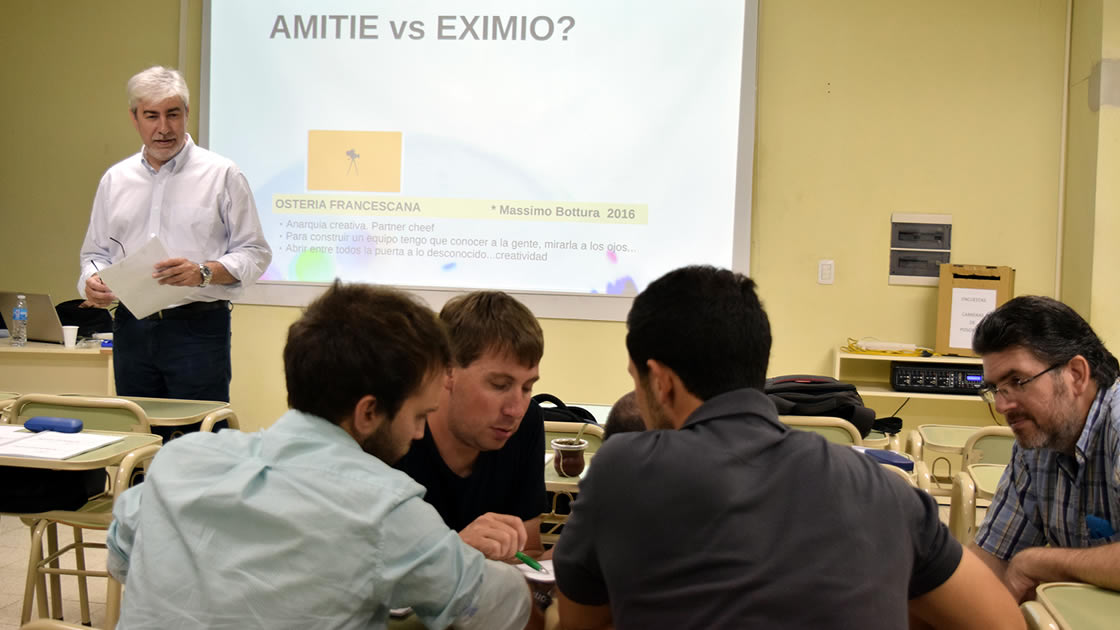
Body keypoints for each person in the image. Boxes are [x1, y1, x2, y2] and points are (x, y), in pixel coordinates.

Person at [552, 266, 1023, 629]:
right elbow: (1001, 622)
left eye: (636, 382)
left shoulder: (621, 470)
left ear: (661, 381)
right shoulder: (883, 489)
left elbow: (578, 621)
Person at [106, 282, 532, 629]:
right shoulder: (384, 508)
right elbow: (499, 607)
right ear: (369, 412)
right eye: (419, 415)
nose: (420, 432)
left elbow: (121, 558)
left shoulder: (181, 459)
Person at [77, 65, 271, 419]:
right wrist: (92, 281)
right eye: (152, 116)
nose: (164, 128)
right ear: (135, 118)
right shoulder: (115, 179)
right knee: (139, 433)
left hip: (197, 330)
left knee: (198, 439)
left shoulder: (222, 174)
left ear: (187, 114)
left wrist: (204, 272)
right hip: (131, 327)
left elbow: (255, 252)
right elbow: (95, 253)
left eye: (173, 114)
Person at [970, 295, 1120, 602]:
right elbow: (993, 561)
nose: (1001, 406)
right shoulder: (1037, 445)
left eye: (1018, 381)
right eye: (995, 389)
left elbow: (1022, 566)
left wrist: (1040, 563)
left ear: (1076, 374)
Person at [396, 290, 548, 560]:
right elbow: (366, 568)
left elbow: (529, 552)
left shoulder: (528, 424)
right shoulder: (394, 431)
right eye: (499, 385)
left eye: (527, 388)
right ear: (447, 370)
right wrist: (455, 554)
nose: (515, 410)